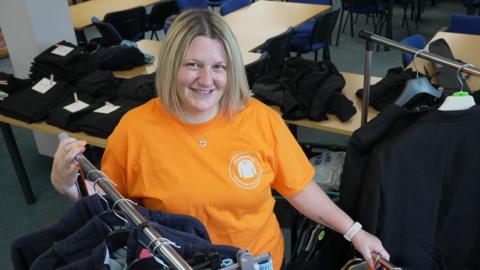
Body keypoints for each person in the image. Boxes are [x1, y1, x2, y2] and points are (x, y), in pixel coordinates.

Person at [51, 9, 389, 270]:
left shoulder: (260, 118)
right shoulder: (134, 130)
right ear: (171, 66)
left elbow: (299, 189)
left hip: (259, 261)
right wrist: (67, 185)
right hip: (178, 262)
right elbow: (112, 207)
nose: (206, 80)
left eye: (219, 67)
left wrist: (354, 231)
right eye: (193, 65)